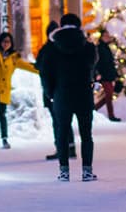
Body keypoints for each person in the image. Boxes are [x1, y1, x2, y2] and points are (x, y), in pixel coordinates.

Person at [40, 13, 98, 182]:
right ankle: (87, 171)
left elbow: (45, 72)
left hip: (62, 94)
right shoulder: (87, 46)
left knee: (62, 131)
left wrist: (50, 92)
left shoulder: (51, 47)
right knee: (86, 133)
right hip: (83, 93)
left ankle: (64, 171)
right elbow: (92, 64)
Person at [35, 21, 74, 160]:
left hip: (54, 90)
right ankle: (69, 147)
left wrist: (48, 91)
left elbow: (41, 67)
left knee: (58, 121)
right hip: (65, 89)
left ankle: (62, 148)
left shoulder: (48, 49)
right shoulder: (64, 46)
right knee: (64, 120)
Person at [93, 30, 122, 122]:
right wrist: (98, 73)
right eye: (106, 35)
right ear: (102, 37)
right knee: (108, 96)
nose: (108, 37)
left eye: (108, 35)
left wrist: (115, 75)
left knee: (108, 96)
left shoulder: (106, 47)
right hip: (104, 75)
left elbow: (110, 63)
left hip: (109, 74)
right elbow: (98, 62)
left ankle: (94, 109)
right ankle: (111, 115)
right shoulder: (99, 47)